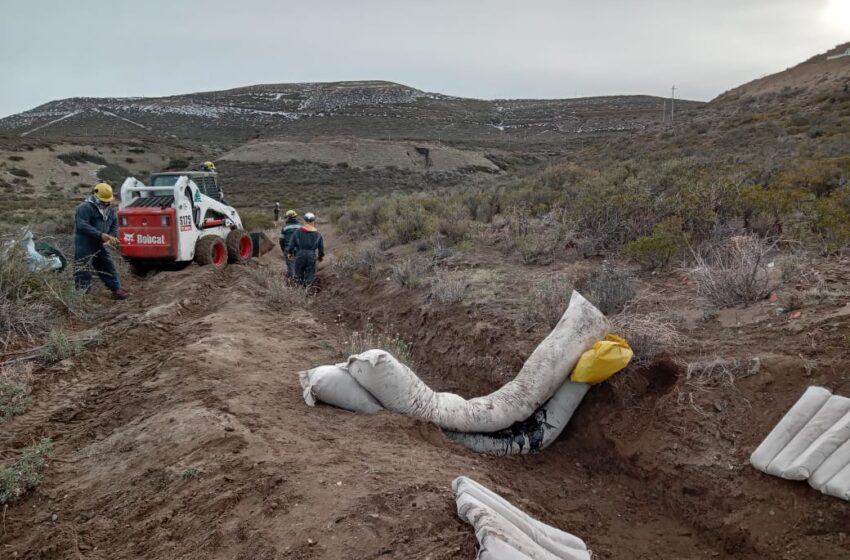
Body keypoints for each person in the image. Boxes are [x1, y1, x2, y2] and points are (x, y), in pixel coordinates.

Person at [73, 183, 129, 300]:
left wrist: (111, 236)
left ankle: (116, 289)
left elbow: (114, 223)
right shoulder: (84, 208)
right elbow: (82, 225)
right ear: (96, 196)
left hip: (99, 243)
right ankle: (82, 296)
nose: (106, 203)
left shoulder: (109, 210)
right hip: (85, 242)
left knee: (107, 265)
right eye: (103, 201)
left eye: (107, 201)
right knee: (83, 268)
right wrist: (100, 235)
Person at [286, 212, 324, 287]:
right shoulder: (318, 234)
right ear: (313, 221)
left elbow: (291, 245)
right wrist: (320, 257)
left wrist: (290, 254)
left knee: (298, 274)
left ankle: (298, 292)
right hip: (311, 255)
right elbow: (321, 248)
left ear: (304, 221)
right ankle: (308, 291)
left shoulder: (297, 232)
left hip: (300, 254)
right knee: (309, 274)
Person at [279, 210, 301, 279]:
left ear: (288, 218)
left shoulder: (285, 228)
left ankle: (293, 280)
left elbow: (281, 240)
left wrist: (283, 249)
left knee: (291, 264)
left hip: (289, 249)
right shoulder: (300, 227)